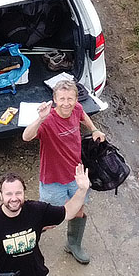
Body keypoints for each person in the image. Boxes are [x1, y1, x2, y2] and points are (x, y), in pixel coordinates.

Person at [21, 78, 105, 264]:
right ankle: (26, 244)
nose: (66, 103)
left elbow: (83, 115)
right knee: (50, 220)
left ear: (76, 99)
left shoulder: (76, 109)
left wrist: (94, 129)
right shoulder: (48, 120)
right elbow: (26, 137)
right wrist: (40, 118)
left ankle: (73, 245)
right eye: (62, 99)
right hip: (52, 180)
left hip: (76, 176)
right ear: (55, 100)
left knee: (78, 211)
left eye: (70, 98)